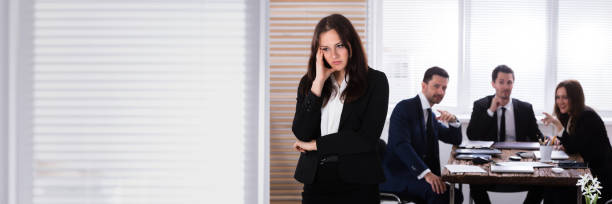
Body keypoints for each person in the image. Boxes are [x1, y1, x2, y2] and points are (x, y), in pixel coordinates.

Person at [291, 14, 389, 204]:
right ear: (318, 53)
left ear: (351, 45)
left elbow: (366, 138)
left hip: (358, 183)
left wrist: (315, 145)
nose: (333, 55)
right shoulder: (309, 83)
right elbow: (302, 132)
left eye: (339, 46)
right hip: (315, 180)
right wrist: (318, 83)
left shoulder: (376, 81)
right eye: (325, 49)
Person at [380, 66, 463, 204]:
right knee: (442, 195)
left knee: (455, 194)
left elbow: (454, 139)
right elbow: (401, 145)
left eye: (444, 88)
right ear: (424, 85)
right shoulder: (404, 108)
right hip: (399, 175)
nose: (440, 92)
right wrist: (427, 174)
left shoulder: (430, 115)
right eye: (436, 86)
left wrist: (454, 120)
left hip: (416, 176)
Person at [466, 65, 544, 204]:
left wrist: (551, 138)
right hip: (489, 162)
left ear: (513, 84)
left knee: (543, 184)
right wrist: (491, 111)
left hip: (520, 163)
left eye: (509, 82)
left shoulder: (525, 108)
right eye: (501, 82)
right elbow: (472, 135)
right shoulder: (481, 105)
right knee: (475, 182)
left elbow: (536, 137)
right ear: (493, 84)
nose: (505, 87)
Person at [541, 80, 612, 203]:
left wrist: (558, 127)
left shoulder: (587, 116)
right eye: (558, 97)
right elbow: (572, 143)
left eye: (565, 97)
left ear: (575, 98)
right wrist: (560, 142)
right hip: (584, 172)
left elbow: (573, 147)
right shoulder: (570, 115)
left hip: (596, 179)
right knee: (550, 188)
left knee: (555, 191)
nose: (560, 101)